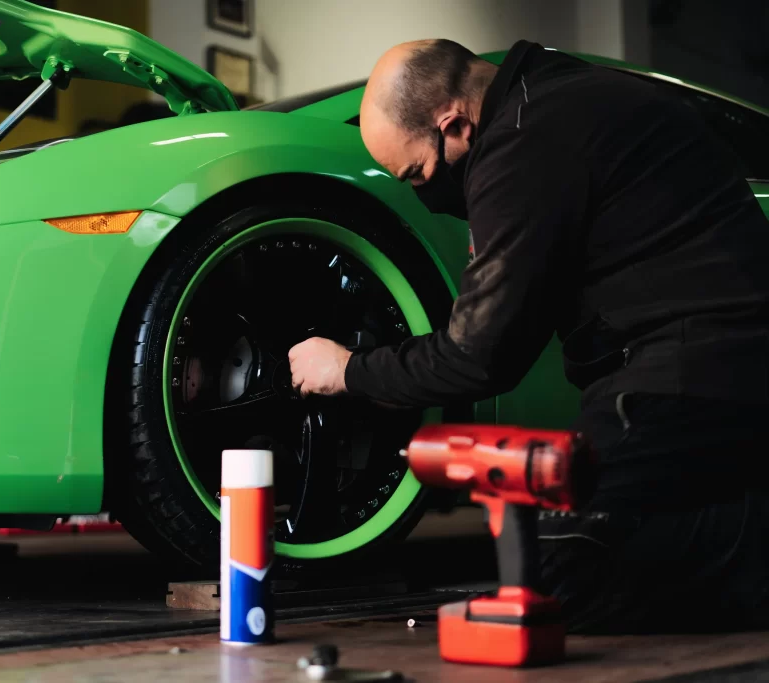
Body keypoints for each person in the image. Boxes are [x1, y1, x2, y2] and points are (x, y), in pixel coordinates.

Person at [288, 38, 769, 634]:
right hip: (718, 373)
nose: (423, 194)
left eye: (418, 173)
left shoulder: (523, 144)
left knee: (552, 570)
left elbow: (478, 357)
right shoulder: (556, 97)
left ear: (456, 125)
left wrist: (348, 370)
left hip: (692, 379)